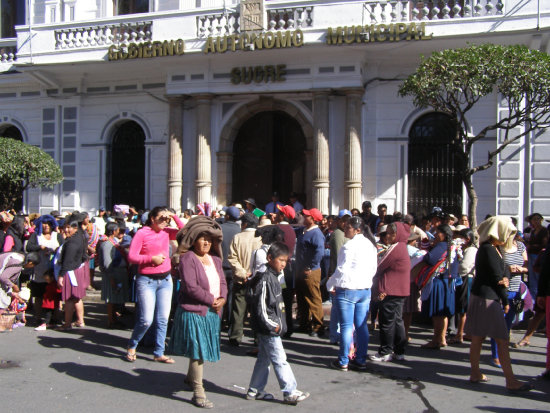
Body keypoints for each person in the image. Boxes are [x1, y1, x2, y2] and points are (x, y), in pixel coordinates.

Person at [464, 216, 532, 392]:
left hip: (484, 296)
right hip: (487, 298)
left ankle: (475, 373)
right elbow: (498, 277)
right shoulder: (489, 249)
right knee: (501, 339)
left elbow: (504, 274)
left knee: (480, 337)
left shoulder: (493, 248)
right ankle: (510, 380)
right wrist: (504, 297)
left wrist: (505, 280)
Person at [169, 216, 227, 409]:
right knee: (198, 351)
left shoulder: (216, 260)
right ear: (193, 240)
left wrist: (223, 298)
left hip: (211, 312)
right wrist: (212, 300)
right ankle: (198, 392)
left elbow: (222, 283)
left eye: (209, 239)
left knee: (198, 349)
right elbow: (190, 287)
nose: (206, 242)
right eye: (202, 238)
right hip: (194, 312)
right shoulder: (188, 259)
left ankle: (190, 378)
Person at [245, 242, 310, 405]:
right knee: (280, 359)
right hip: (269, 328)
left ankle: (255, 390)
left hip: (272, 326)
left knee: (264, 359)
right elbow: (261, 307)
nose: (283, 264)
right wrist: (272, 325)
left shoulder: (275, 277)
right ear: (269, 258)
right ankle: (290, 391)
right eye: (280, 260)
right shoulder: (266, 279)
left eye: (285, 261)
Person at [126, 206, 184, 363]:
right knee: (146, 319)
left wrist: (174, 217)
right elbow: (132, 256)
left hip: (165, 280)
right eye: (161, 218)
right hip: (147, 280)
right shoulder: (142, 233)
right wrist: (151, 259)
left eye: (166, 219)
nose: (164, 221)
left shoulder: (167, 232)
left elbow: (185, 232)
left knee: (163, 318)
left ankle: (159, 352)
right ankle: (133, 345)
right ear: (152, 218)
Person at [326, 216, 377, 370]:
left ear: (357, 230)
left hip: (348, 288)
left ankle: (343, 360)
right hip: (364, 289)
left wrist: (330, 283)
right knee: (361, 326)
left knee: (347, 326)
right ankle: (360, 359)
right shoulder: (370, 246)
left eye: (348, 227)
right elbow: (373, 269)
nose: (346, 229)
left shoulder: (349, 246)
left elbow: (341, 269)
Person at [370, 222, 411, 362]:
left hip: (391, 290)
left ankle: (385, 351)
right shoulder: (402, 247)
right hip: (398, 289)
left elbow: (380, 265)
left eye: (390, 233)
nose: (387, 236)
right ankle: (399, 351)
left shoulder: (397, 247)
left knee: (387, 321)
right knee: (397, 321)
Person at [489, 229, 529, 366]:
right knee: (497, 324)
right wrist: (508, 269)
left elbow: (527, 264)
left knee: (507, 324)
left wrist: (521, 269)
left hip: (516, 289)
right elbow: (495, 267)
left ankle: (503, 353)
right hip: (502, 289)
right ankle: (495, 355)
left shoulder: (521, 246)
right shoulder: (498, 247)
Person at [420, 224, 458, 348]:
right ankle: (441, 338)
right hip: (448, 282)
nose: (435, 235)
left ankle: (436, 339)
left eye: (437, 233)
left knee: (437, 314)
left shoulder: (441, 246)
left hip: (439, 282)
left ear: (444, 235)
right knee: (443, 314)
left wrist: (427, 252)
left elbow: (430, 259)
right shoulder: (451, 247)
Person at [227, 212, 262, 346]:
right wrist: (254, 273)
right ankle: (258, 338)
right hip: (256, 280)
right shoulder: (260, 238)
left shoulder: (237, 238)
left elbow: (232, 258)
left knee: (238, 309)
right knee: (257, 310)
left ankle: (236, 336)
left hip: (241, 279)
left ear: (245, 224)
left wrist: (242, 272)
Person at [26, 214, 63, 324]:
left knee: (55, 296)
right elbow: (29, 247)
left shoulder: (57, 236)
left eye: (48, 224)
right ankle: (38, 317)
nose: (46, 226)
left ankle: (56, 317)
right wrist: (40, 247)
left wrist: (56, 250)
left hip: (54, 271)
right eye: (44, 223)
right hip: (39, 271)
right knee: (39, 295)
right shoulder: (36, 236)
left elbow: (63, 248)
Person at [56, 214, 89, 330]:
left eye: (69, 227)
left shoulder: (72, 242)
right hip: (78, 269)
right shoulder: (81, 236)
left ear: (75, 228)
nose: (66, 230)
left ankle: (67, 323)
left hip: (71, 272)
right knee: (77, 298)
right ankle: (80, 321)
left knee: (69, 298)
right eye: (65, 227)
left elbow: (67, 261)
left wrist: (61, 275)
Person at [295, 208, 325, 336]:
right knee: (302, 298)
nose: (303, 217)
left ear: (312, 219)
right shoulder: (303, 230)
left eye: (306, 216)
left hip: (310, 271)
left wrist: (310, 266)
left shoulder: (316, 234)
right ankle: (304, 323)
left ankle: (318, 326)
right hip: (301, 269)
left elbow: (319, 253)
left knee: (313, 298)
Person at [449, 228, 477, 344]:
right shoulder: (463, 249)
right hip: (461, 278)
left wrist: (456, 267)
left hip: (466, 278)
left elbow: (465, 266)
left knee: (463, 307)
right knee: (461, 306)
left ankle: (460, 333)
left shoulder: (471, 250)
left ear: (468, 239)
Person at [99, 221, 129, 329]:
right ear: (113, 231)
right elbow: (107, 262)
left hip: (118, 272)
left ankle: (114, 319)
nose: (119, 231)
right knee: (111, 299)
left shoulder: (113, 242)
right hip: (112, 273)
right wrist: (111, 277)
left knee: (115, 298)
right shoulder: (107, 244)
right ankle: (111, 321)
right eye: (117, 230)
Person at [220, 206, 241, 327]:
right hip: (234, 267)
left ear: (227, 216)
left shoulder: (220, 229)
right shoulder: (239, 230)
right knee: (232, 297)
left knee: (221, 294)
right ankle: (230, 321)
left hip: (221, 267)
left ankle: (220, 319)